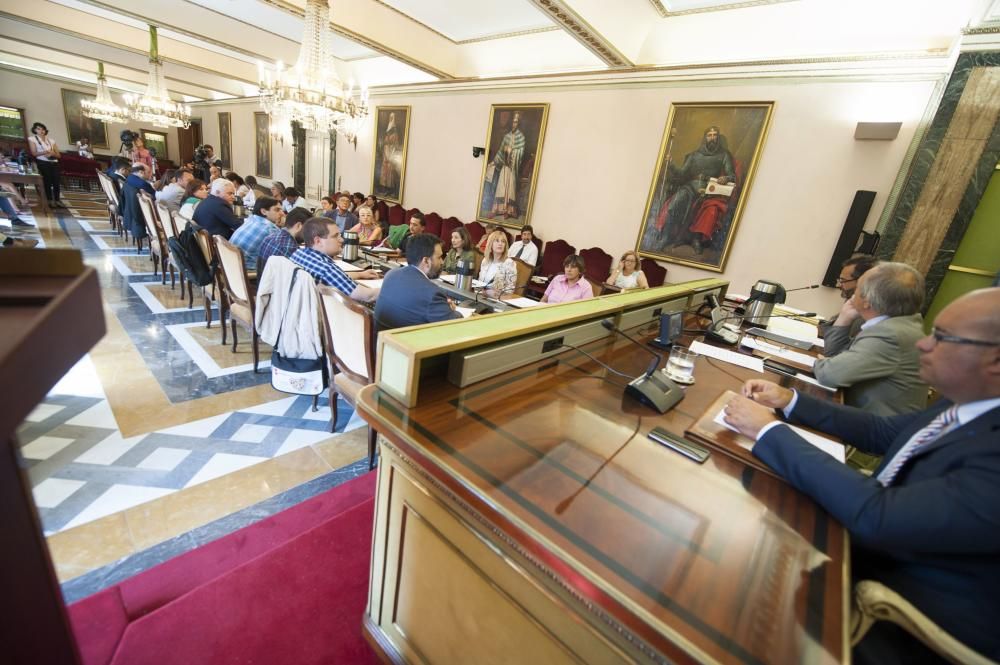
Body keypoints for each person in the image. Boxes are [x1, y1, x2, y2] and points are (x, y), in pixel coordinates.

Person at [722, 287, 1000, 665]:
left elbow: (879, 517)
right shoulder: (967, 401)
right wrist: (790, 402)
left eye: (941, 337)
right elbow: (881, 433)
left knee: (733, 586)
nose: (922, 345)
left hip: (903, 617)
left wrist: (770, 432)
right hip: (879, 542)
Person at [812, 262, 929, 415]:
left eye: (858, 288)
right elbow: (834, 355)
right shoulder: (896, 325)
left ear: (867, 300)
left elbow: (829, 374)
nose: (854, 293)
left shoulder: (890, 335)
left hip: (871, 430)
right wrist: (844, 319)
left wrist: (821, 363)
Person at [648, 126, 736, 255]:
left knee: (710, 211)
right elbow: (682, 174)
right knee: (675, 204)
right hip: (691, 187)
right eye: (709, 135)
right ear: (705, 138)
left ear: (717, 137)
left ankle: (696, 240)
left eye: (714, 135)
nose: (712, 137)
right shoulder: (694, 155)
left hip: (710, 190)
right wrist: (671, 163)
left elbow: (732, 176)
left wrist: (725, 178)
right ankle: (666, 238)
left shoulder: (724, 155)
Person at [374, 233, 463, 331]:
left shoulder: (391, 274)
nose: (442, 262)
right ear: (426, 261)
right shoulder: (432, 294)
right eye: (439, 257)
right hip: (406, 345)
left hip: (382, 343)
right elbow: (456, 325)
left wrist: (441, 307)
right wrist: (452, 310)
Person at [290, 217, 379, 303]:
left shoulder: (297, 254)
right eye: (335, 236)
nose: (342, 240)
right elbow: (367, 296)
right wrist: (390, 288)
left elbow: (335, 277)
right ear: (318, 241)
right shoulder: (326, 269)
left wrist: (360, 274)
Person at [820, 254, 880, 345]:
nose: (839, 285)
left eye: (843, 280)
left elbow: (835, 348)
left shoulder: (867, 314)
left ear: (862, 281)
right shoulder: (852, 302)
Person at [484, 111, 525, 219]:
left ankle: (509, 211)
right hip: (504, 167)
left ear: (519, 123)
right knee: (501, 187)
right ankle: (497, 209)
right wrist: (494, 161)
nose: (513, 124)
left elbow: (521, 152)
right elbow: (500, 152)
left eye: (516, 122)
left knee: (510, 188)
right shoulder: (506, 137)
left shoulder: (521, 137)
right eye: (513, 122)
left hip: (512, 168)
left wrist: (512, 151)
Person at [230, 196, 283, 269]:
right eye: (277, 210)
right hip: (247, 271)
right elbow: (281, 256)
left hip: (232, 266)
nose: (282, 213)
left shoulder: (252, 219)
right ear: (264, 211)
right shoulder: (270, 229)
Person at [258, 207, 309, 273]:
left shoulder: (270, 237)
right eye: (308, 229)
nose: (309, 234)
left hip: (262, 281)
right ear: (298, 226)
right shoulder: (290, 248)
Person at [28, 122, 64, 208]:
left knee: (56, 182)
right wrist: (45, 152)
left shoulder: (51, 140)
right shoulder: (32, 139)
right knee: (47, 182)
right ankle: (50, 200)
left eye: (43, 129)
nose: (41, 131)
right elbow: (34, 153)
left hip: (54, 162)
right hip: (42, 163)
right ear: (35, 130)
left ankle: (57, 200)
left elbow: (59, 155)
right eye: (38, 129)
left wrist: (52, 154)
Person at [478, 230, 517, 298]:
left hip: (497, 301)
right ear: (490, 244)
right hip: (481, 296)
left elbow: (510, 291)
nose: (500, 244)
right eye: (497, 241)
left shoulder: (509, 263)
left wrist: (490, 293)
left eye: (503, 241)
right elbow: (479, 283)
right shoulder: (485, 261)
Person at [121, 163, 155, 239]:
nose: (151, 175)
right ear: (141, 172)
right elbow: (155, 197)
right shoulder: (142, 184)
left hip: (130, 215)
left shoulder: (129, 178)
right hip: (140, 218)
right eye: (149, 172)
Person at [377, 112, 401, 195]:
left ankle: (390, 189)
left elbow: (395, 144)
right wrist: (385, 150)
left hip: (390, 153)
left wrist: (390, 154)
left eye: (392, 117)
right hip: (385, 153)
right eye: (390, 117)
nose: (391, 119)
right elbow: (384, 142)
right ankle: (384, 188)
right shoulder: (388, 129)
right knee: (384, 171)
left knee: (390, 172)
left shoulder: (395, 132)